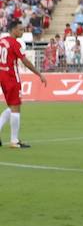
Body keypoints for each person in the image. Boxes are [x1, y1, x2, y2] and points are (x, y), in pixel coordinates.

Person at [0, 20, 47, 148]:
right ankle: (14, 141)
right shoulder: (15, 43)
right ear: (14, 30)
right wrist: (39, 74)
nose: (22, 31)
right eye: (20, 29)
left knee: (11, 107)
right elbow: (25, 61)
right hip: (11, 77)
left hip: (2, 76)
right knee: (16, 107)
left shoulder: (2, 41)